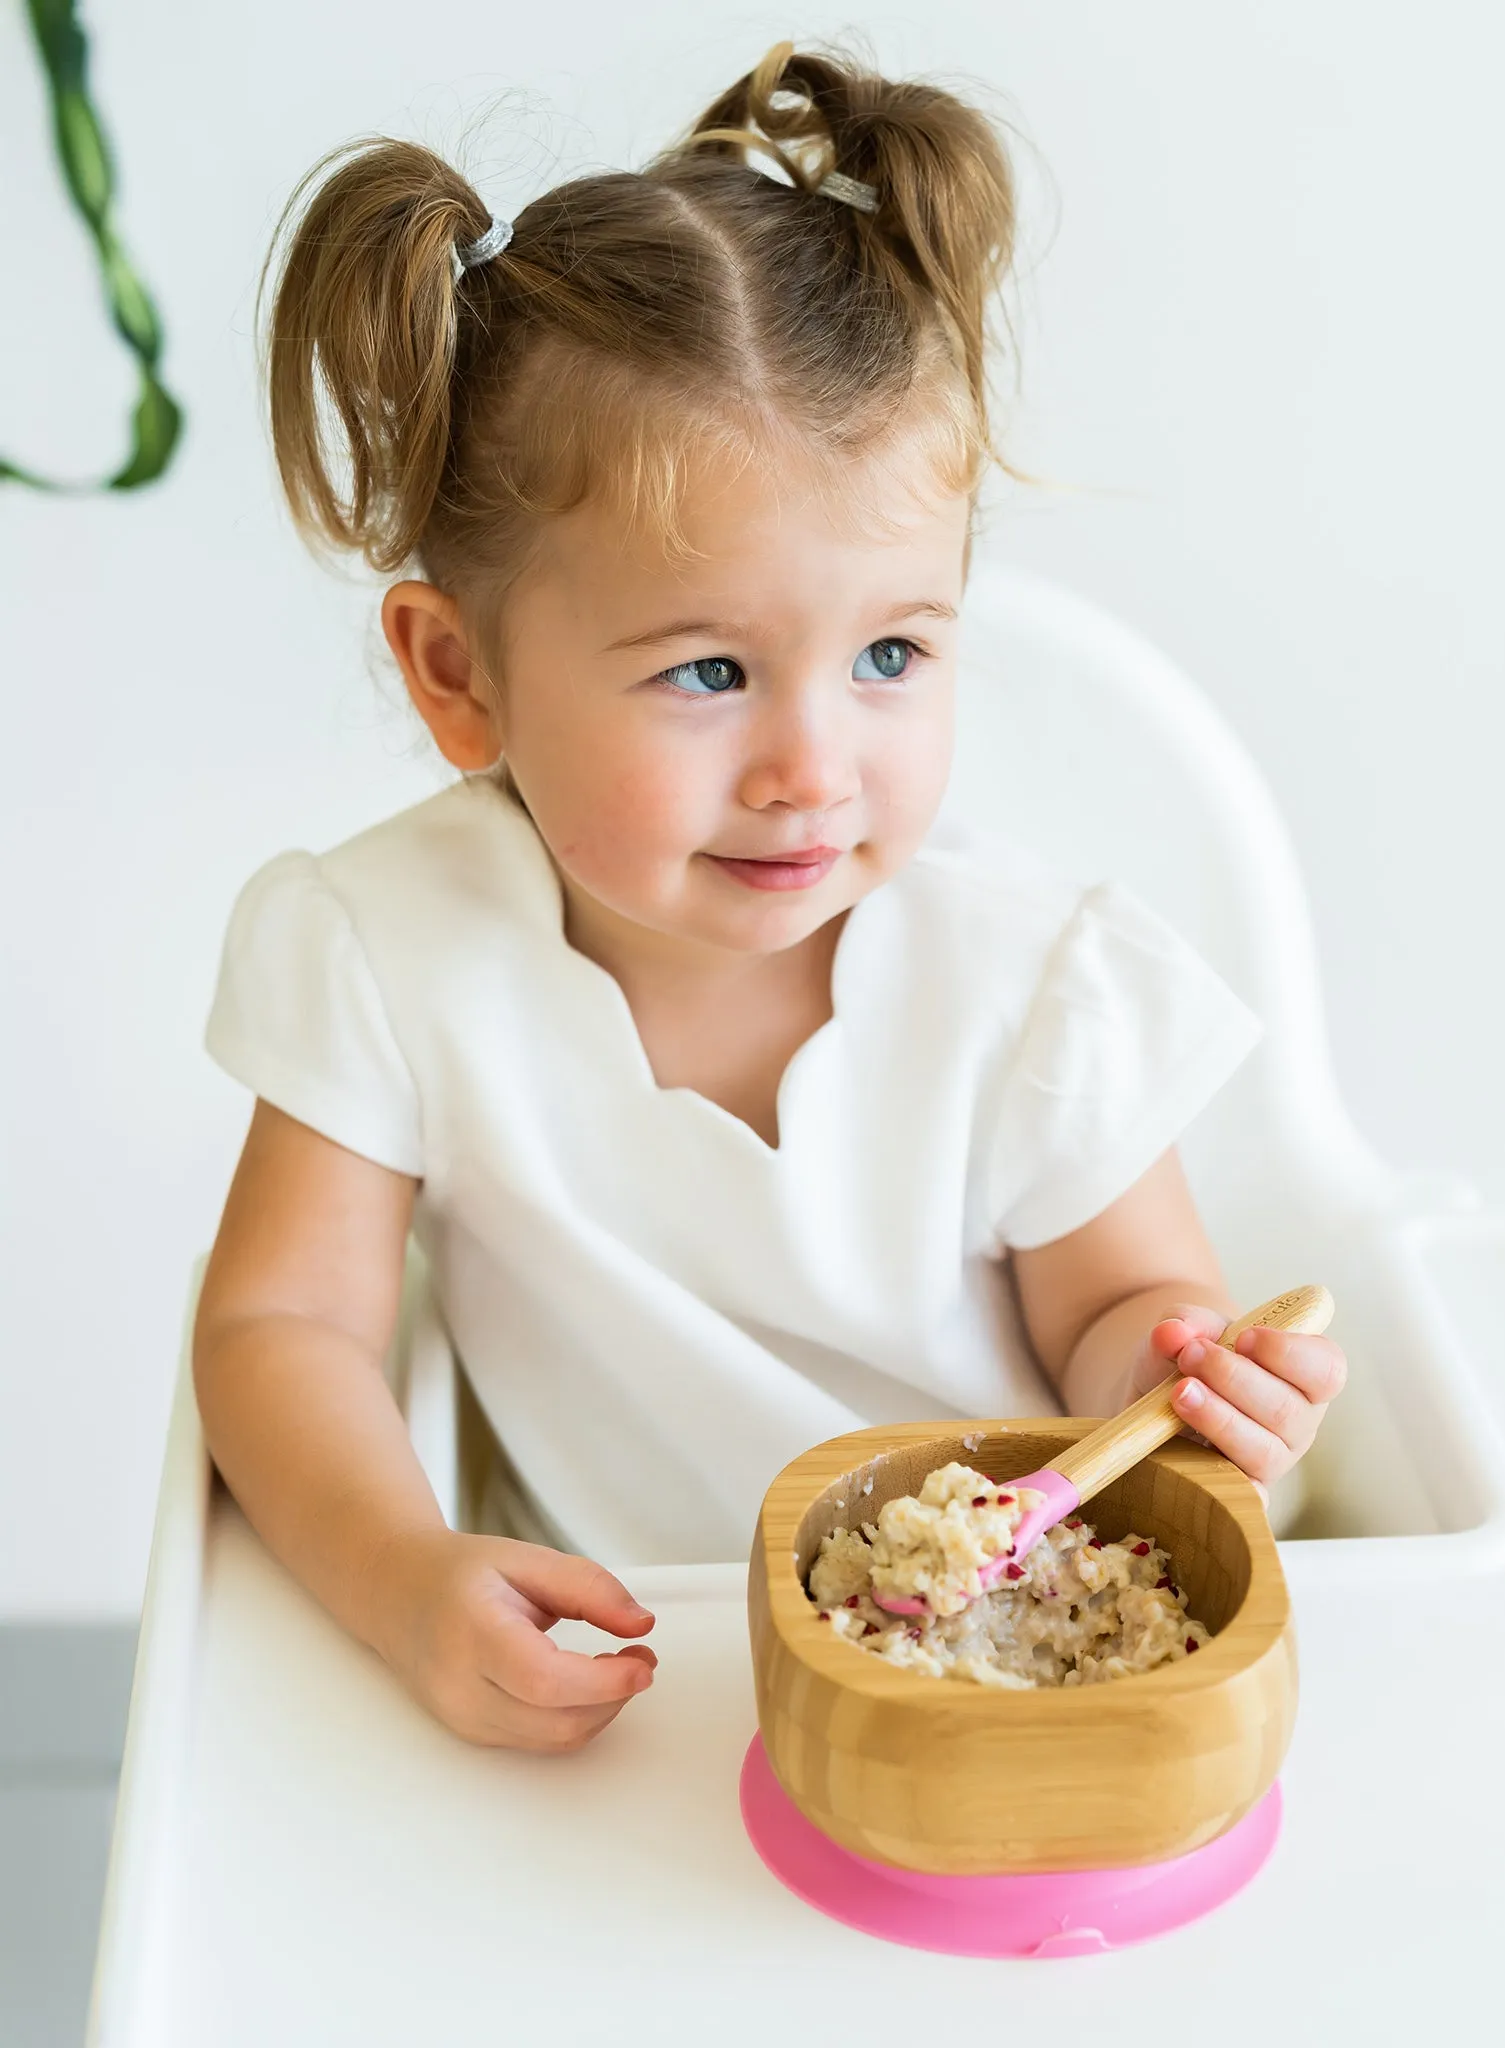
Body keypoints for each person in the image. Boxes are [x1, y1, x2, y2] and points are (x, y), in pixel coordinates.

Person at [193, 41, 1347, 1756]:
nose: (812, 764)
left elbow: (1115, 1314)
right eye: (708, 670)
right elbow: (283, 1326)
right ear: (461, 677)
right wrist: (401, 1573)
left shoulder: (1031, 988)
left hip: (1026, 1658)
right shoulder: (385, 955)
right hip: (635, 1670)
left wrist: (1182, 1388)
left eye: (889, 653)